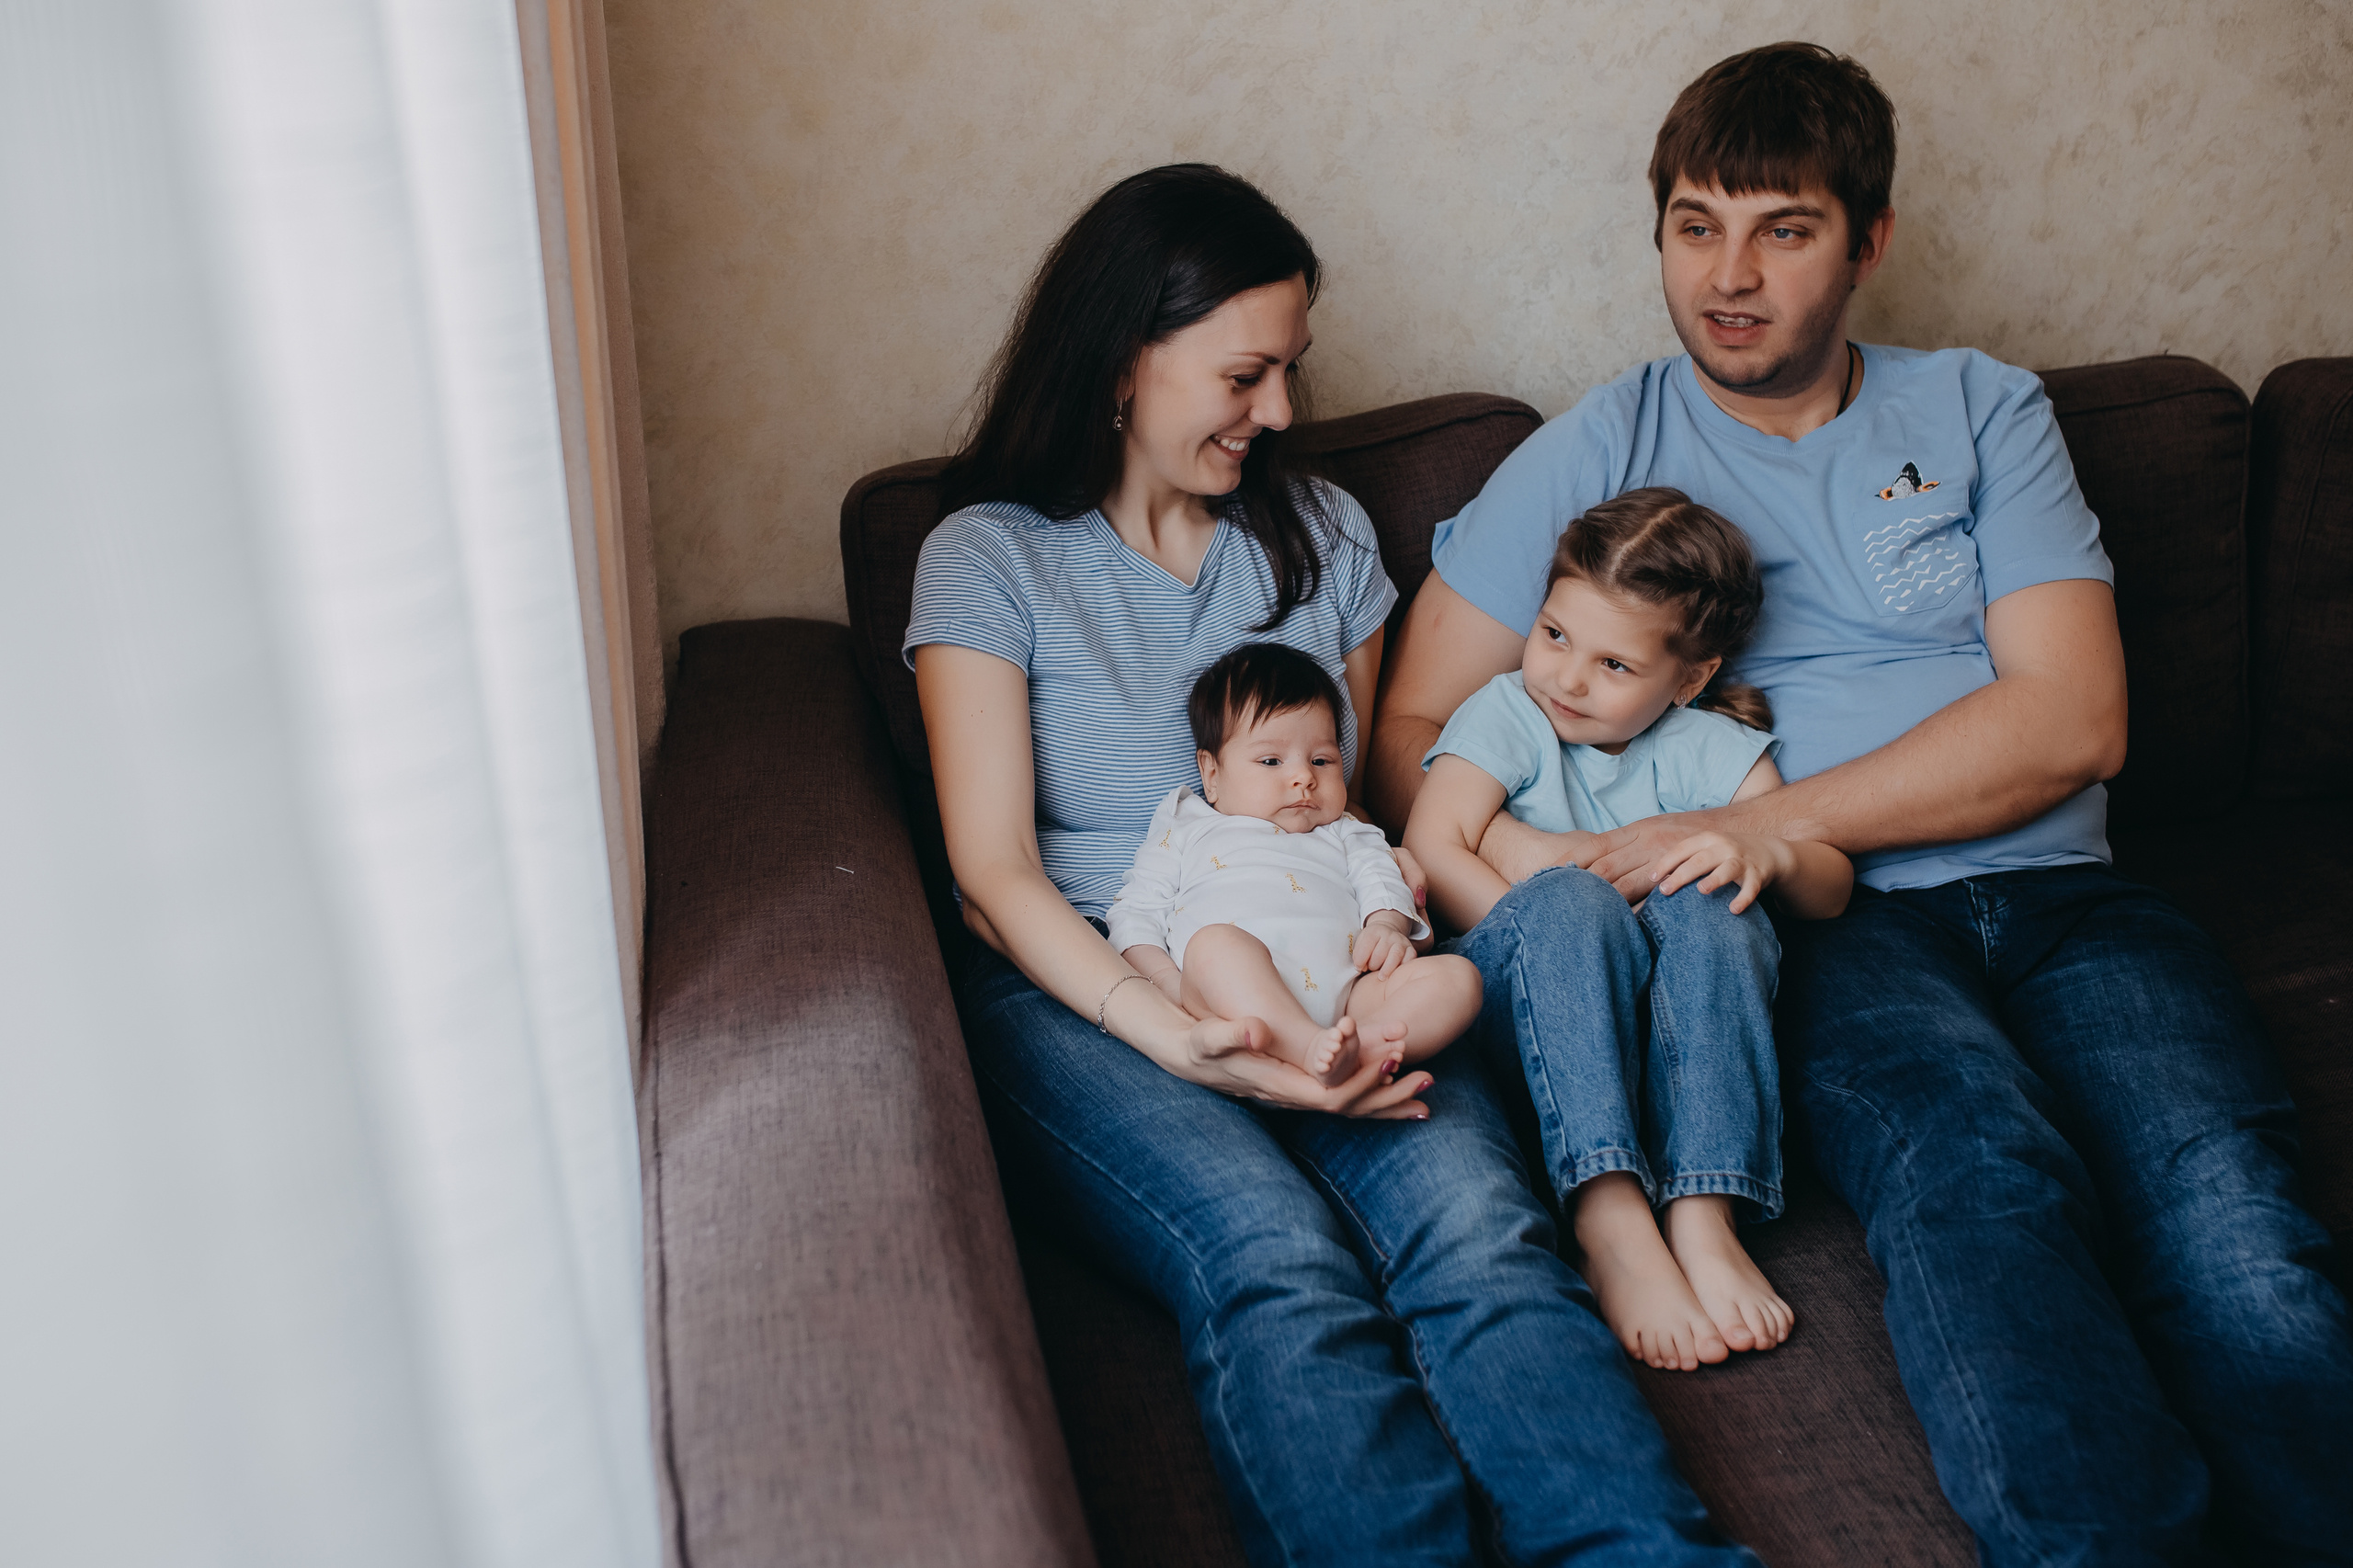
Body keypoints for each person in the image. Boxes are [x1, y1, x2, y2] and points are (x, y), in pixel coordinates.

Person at [1370, 41, 2353, 1566]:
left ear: (1870, 240)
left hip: (2070, 904)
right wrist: (1560, 869)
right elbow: (1418, 724)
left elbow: (2075, 720)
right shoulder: (1596, 450)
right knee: (1981, 1181)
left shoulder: (1980, 411)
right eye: (1695, 224)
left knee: (2235, 1220)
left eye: (1785, 226)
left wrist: (1765, 821)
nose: (1730, 274)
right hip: (1836, 937)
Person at [908, 163, 1757, 1565]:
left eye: (1291, 371)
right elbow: (991, 876)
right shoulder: (987, 559)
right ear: (1126, 358)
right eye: (1248, 374)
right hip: (1096, 988)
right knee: (1277, 1264)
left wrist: (1393, 947)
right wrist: (1179, 1034)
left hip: (1329, 955)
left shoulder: (1325, 539)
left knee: (1488, 1239)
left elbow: (1356, 805)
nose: (1286, 413)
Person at [1407, 486, 1849, 1370]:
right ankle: (1609, 1217)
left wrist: (1770, 856)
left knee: (1715, 893)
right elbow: (1432, 843)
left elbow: (1833, 885)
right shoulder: (1508, 712)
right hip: (1532, 1009)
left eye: (1615, 665)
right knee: (1573, 900)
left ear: (1690, 678)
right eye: (1555, 634)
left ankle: (1704, 1209)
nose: (1566, 676)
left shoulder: (1714, 752)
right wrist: (1560, 931)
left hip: (1674, 1031)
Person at [1109, 642, 1481, 1085]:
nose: (1304, 777)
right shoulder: (1186, 824)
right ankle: (1308, 1049)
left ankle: (1355, 1050)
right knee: (1213, 947)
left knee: (1458, 978)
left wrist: (1386, 926)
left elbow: (1381, 876)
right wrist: (1167, 984)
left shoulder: (1345, 830)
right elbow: (1136, 912)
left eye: (1321, 760)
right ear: (1212, 775)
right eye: (1271, 760)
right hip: (1233, 1004)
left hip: (1348, 998)